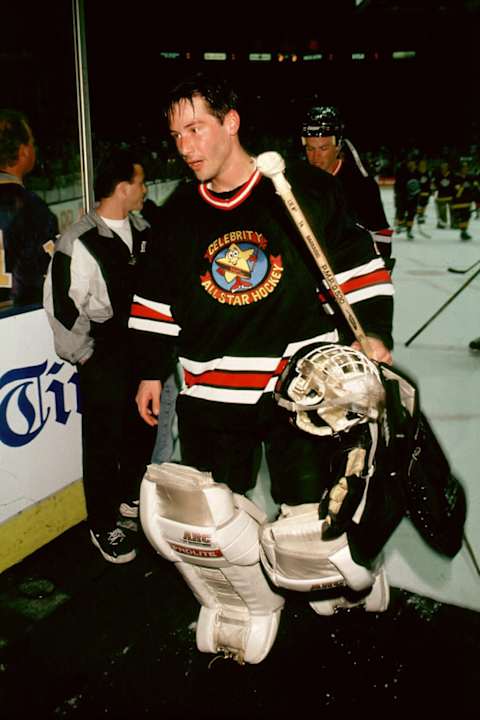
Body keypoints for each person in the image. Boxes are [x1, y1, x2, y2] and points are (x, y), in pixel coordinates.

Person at [128, 74, 395, 662]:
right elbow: (154, 300)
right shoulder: (177, 214)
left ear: (232, 122)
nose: (187, 146)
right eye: (177, 136)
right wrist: (152, 370)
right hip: (210, 393)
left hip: (296, 389)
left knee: (309, 517)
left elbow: (358, 270)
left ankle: (338, 585)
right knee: (208, 517)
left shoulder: (299, 189)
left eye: (197, 128)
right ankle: (244, 604)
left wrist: (373, 332)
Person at [43, 149, 157, 563]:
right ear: (123, 188)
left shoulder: (144, 229)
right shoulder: (78, 240)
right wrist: (86, 356)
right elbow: (62, 305)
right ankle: (102, 523)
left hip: (141, 353)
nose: (145, 190)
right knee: (103, 442)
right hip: (104, 353)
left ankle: (129, 499)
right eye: (141, 183)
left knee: (140, 429)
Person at [301, 105, 394, 270]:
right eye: (310, 148)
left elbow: (381, 235)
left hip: (350, 273)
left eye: (323, 148)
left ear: (337, 146)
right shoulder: (298, 180)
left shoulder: (360, 186)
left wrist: (377, 274)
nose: (315, 157)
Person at [0, 109, 58, 307]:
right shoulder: (33, 209)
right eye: (32, 142)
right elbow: (53, 271)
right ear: (23, 151)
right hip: (20, 319)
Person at [393, 154, 421, 240]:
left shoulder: (417, 172)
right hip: (402, 197)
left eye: (413, 163)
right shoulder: (401, 171)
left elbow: (419, 185)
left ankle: (409, 231)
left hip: (413, 198)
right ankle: (399, 225)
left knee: (411, 215)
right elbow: (397, 185)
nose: (411, 164)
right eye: (410, 162)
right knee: (400, 213)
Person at [432, 158, 454, 229]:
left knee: (453, 210)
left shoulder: (452, 174)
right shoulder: (437, 175)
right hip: (441, 196)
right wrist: (433, 190)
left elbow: (455, 183)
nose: (444, 168)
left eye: (445, 166)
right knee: (441, 211)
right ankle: (442, 223)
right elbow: (434, 185)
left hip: (451, 195)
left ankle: (454, 223)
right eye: (443, 166)